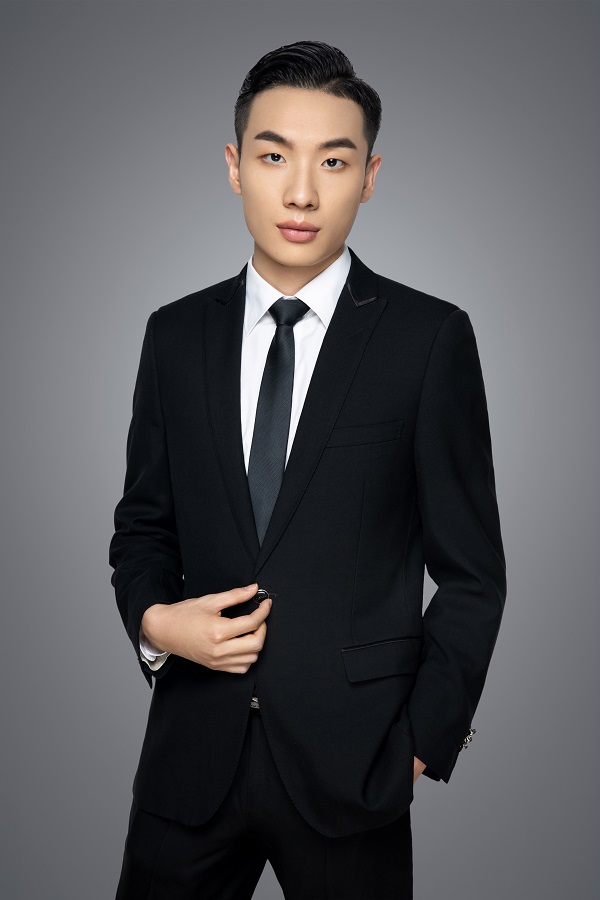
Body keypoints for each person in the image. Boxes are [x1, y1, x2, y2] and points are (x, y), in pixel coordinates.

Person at [110, 39, 506, 900]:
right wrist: (157, 624)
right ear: (234, 166)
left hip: (353, 771)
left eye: (333, 161)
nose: (301, 193)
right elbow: (142, 526)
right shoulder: (174, 335)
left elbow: (474, 575)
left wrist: (420, 742)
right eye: (273, 156)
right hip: (189, 761)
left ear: (369, 176)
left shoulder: (428, 340)